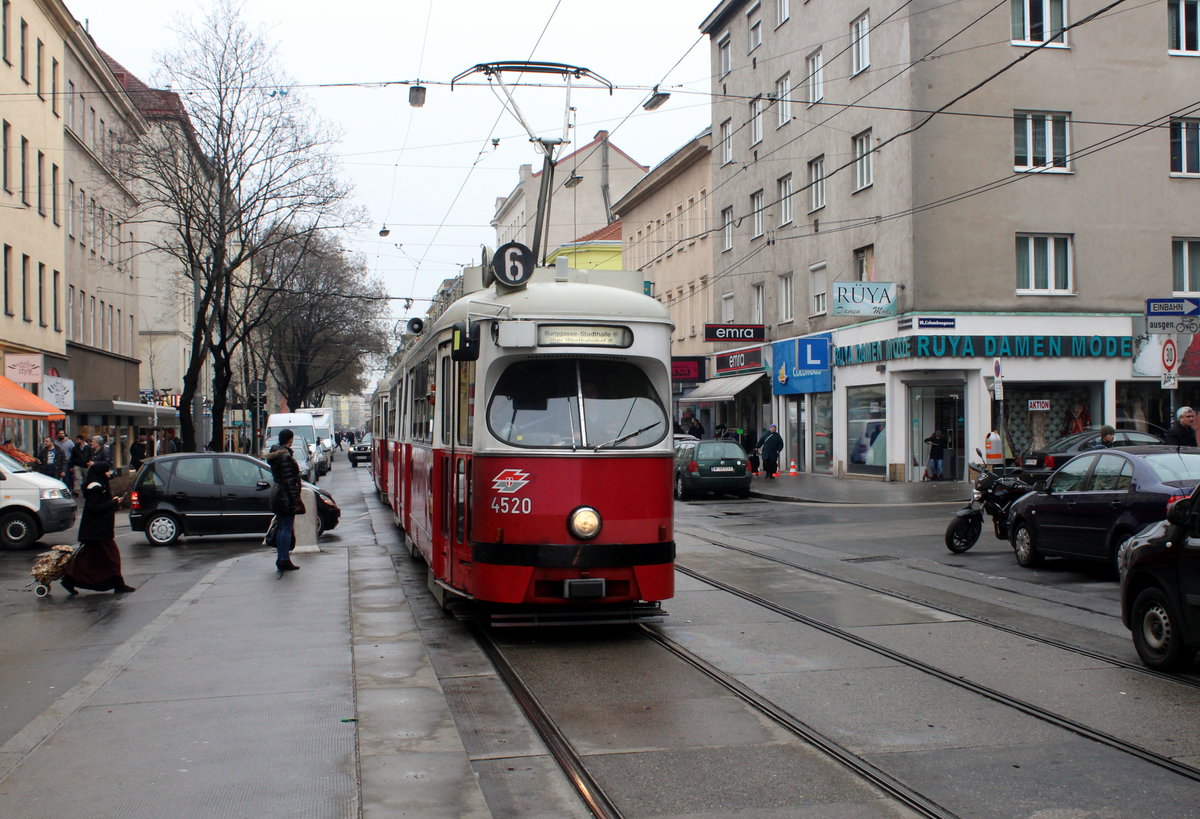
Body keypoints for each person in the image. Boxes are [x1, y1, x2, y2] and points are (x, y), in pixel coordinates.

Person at [61, 459, 135, 595]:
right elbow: (94, 508)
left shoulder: (98, 485)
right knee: (111, 557)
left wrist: (113, 503)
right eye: (107, 471)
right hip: (97, 531)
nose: (109, 473)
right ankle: (118, 584)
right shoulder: (95, 487)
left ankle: (70, 580)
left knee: (89, 559)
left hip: (98, 530)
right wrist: (112, 503)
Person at [265, 429, 302, 572]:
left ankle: (282, 558)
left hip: (278, 494)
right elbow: (289, 481)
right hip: (285, 496)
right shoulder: (285, 456)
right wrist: (295, 500)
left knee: (282, 528)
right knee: (286, 528)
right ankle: (284, 559)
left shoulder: (276, 454)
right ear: (290, 440)